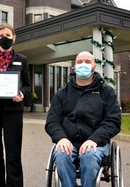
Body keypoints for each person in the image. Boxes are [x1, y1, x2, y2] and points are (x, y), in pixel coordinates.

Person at [45, 51, 121, 187]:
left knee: (89, 155)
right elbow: (52, 121)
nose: (83, 65)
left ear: (94, 67)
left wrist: (94, 139)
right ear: (74, 67)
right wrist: (61, 138)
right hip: (69, 141)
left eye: (87, 62)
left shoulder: (106, 92)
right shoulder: (62, 93)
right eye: (79, 62)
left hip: (96, 143)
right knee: (61, 154)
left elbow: (113, 121)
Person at [0, 23, 32, 187]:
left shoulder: (22, 60)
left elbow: (28, 86)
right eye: (1, 36)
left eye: (8, 35)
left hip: (13, 112)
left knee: (13, 153)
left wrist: (21, 94)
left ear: (14, 38)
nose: (5, 38)